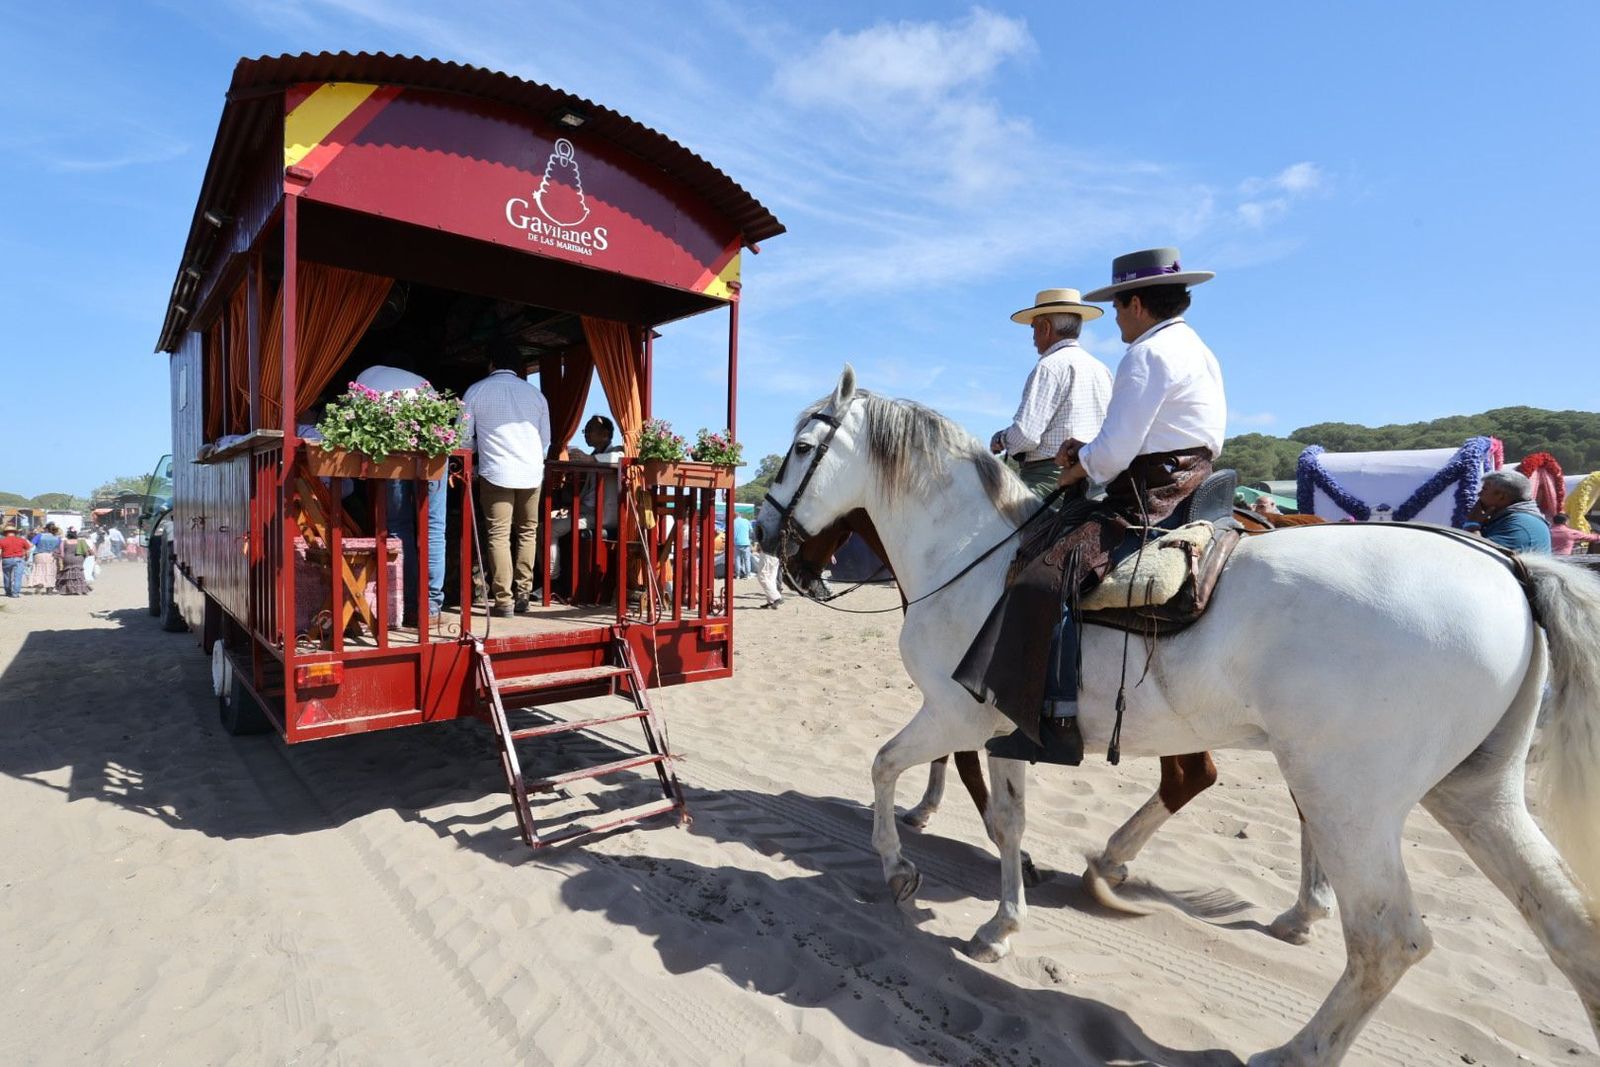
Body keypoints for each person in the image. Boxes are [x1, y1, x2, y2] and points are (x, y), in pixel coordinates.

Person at [957, 247, 1226, 765]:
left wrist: (1080, 460)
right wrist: (1090, 453)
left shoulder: (1146, 354)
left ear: (1139, 303)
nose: (1119, 319)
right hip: (1190, 481)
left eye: (1120, 307)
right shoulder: (1195, 349)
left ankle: (1055, 720)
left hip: (1147, 491)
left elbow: (1108, 451)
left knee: (1044, 575)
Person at [989, 288, 1114, 498]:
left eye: (1033, 329)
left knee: (990, 525)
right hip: (1097, 477)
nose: (1033, 338)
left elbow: (1026, 435)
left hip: (1050, 478)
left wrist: (1002, 438)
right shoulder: (1102, 368)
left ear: (1045, 328)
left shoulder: (1049, 367)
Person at [354, 360, 449, 625]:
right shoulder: (416, 379)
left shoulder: (362, 382)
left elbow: (357, 432)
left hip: (394, 440)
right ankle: (431, 609)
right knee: (434, 528)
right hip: (434, 435)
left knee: (398, 528)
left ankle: (406, 605)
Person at [462, 339, 552, 617]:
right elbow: (545, 440)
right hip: (531, 472)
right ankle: (524, 593)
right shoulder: (535, 395)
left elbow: (464, 440)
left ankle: (504, 600)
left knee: (498, 535)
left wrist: (477, 454)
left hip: (496, 471)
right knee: (527, 531)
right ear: (519, 366)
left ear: (491, 363)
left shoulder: (476, 391)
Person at [1468, 470, 1552, 553]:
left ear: (1501, 496)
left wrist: (1472, 525)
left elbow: (1478, 555)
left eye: (1484, 489)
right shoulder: (1513, 518)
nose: (1479, 494)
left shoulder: (1518, 525)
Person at [25, 524, 60, 592]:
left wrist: (26, 551)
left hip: (39, 555)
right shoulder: (57, 537)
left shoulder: (39, 536)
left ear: (46, 529)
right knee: (50, 571)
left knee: (39, 570)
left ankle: (39, 583)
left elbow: (31, 545)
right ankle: (49, 587)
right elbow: (59, 548)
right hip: (51, 555)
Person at [0, 525, 31, 598]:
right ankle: (15, 593)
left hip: (6, 559)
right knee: (18, 577)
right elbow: (28, 550)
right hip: (19, 559)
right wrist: (26, 558)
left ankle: (8, 592)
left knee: (7, 576)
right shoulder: (22, 540)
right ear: (15, 532)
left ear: (5, 533)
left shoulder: (2, 541)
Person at [56, 528, 89, 595]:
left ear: (68, 534)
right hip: (79, 558)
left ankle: (69, 590)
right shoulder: (81, 541)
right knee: (79, 574)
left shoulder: (64, 542)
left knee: (68, 573)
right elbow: (87, 551)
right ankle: (80, 589)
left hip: (67, 558)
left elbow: (62, 554)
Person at [732, 512, 754, 578]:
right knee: (747, 559)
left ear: (735, 516)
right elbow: (751, 531)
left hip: (736, 543)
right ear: (741, 516)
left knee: (737, 559)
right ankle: (748, 575)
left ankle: (738, 575)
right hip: (746, 543)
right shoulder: (746, 521)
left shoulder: (733, 522)